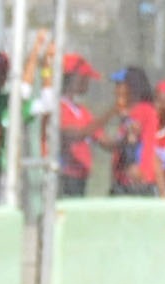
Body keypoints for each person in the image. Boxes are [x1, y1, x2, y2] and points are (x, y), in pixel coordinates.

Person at [94, 66, 161, 197]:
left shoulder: (143, 110)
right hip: (124, 180)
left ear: (132, 87)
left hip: (136, 181)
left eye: (120, 85)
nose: (116, 90)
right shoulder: (130, 113)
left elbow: (132, 139)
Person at [57, 53, 99, 198]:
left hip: (81, 177)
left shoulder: (82, 111)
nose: (88, 82)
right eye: (85, 77)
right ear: (74, 78)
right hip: (65, 176)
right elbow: (78, 134)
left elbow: (104, 140)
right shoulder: (59, 107)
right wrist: (113, 111)